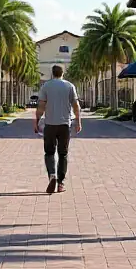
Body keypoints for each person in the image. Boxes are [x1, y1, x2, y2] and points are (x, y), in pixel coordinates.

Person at [34, 64, 81, 194]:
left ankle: (52, 175)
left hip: (50, 125)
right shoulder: (69, 86)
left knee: (49, 152)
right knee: (63, 154)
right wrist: (78, 121)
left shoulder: (46, 86)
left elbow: (41, 106)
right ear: (62, 73)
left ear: (52, 73)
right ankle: (60, 183)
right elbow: (76, 105)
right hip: (65, 125)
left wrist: (36, 121)